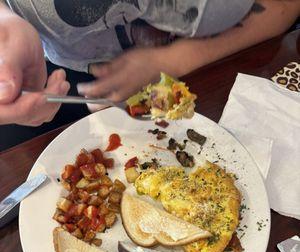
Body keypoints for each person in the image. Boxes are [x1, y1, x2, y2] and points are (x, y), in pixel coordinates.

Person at [0, 0, 299, 150]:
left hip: (221, 63)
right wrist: (6, 28)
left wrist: (177, 59)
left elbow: (283, 5)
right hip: (59, 74)